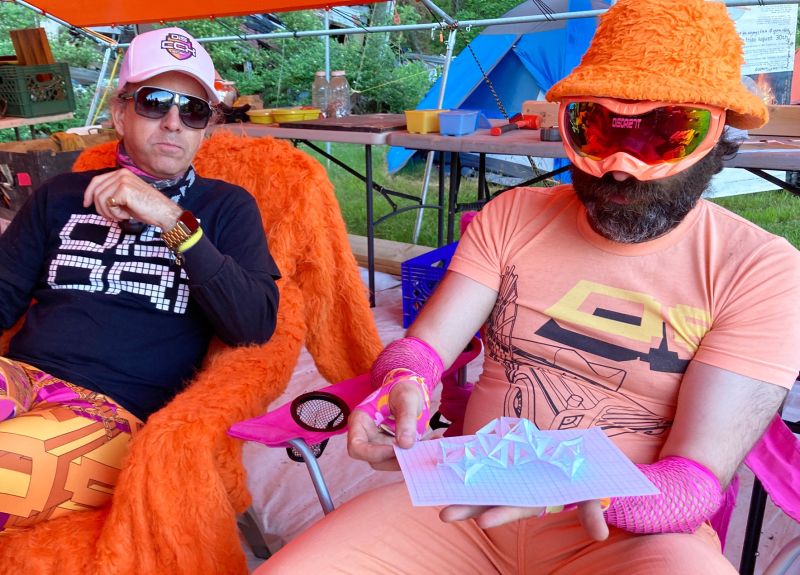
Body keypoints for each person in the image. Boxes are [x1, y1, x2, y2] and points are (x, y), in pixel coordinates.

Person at [257, 1, 800, 573]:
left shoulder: (759, 270)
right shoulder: (513, 215)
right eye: (598, 131)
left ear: (718, 141)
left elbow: (693, 483)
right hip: (460, 504)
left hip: (624, 533)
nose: (620, 166)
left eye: (664, 137)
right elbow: (424, 347)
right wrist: (402, 384)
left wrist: (563, 484)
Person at [0, 27, 280, 532]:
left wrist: (171, 219)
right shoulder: (60, 194)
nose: (173, 122)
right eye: (154, 102)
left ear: (204, 129)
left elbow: (254, 324)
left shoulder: (226, 207)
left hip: (112, 412)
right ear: (119, 114)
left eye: (193, 110)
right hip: (20, 376)